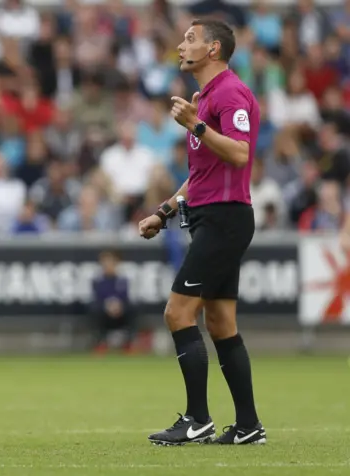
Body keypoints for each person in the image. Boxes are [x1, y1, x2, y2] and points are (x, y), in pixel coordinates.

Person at [138, 19, 265, 446]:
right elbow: (205, 172)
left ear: (214, 49)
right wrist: (166, 209)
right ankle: (248, 426)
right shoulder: (208, 97)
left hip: (226, 219)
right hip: (212, 217)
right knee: (221, 321)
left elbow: (241, 153)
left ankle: (197, 419)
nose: (180, 45)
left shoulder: (230, 93)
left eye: (190, 39)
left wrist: (196, 125)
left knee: (177, 312)